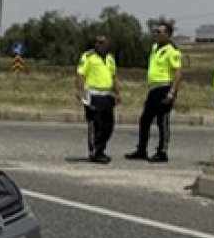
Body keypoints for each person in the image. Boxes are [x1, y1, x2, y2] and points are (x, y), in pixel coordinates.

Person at [126, 23, 183, 163]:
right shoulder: (155, 48)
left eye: (159, 32)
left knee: (162, 120)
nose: (156, 34)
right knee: (145, 120)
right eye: (155, 31)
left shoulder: (172, 51)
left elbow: (178, 72)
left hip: (165, 87)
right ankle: (141, 149)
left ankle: (162, 152)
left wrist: (172, 91)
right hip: (153, 89)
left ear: (168, 34)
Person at [75, 34, 119, 164]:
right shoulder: (88, 56)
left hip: (107, 95)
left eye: (101, 42)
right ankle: (95, 152)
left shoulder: (110, 58)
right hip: (93, 95)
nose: (98, 44)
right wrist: (79, 90)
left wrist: (117, 92)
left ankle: (101, 148)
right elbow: (80, 74)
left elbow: (114, 76)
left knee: (109, 125)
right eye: (96, 42)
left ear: (107, 44)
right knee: (96, 124)